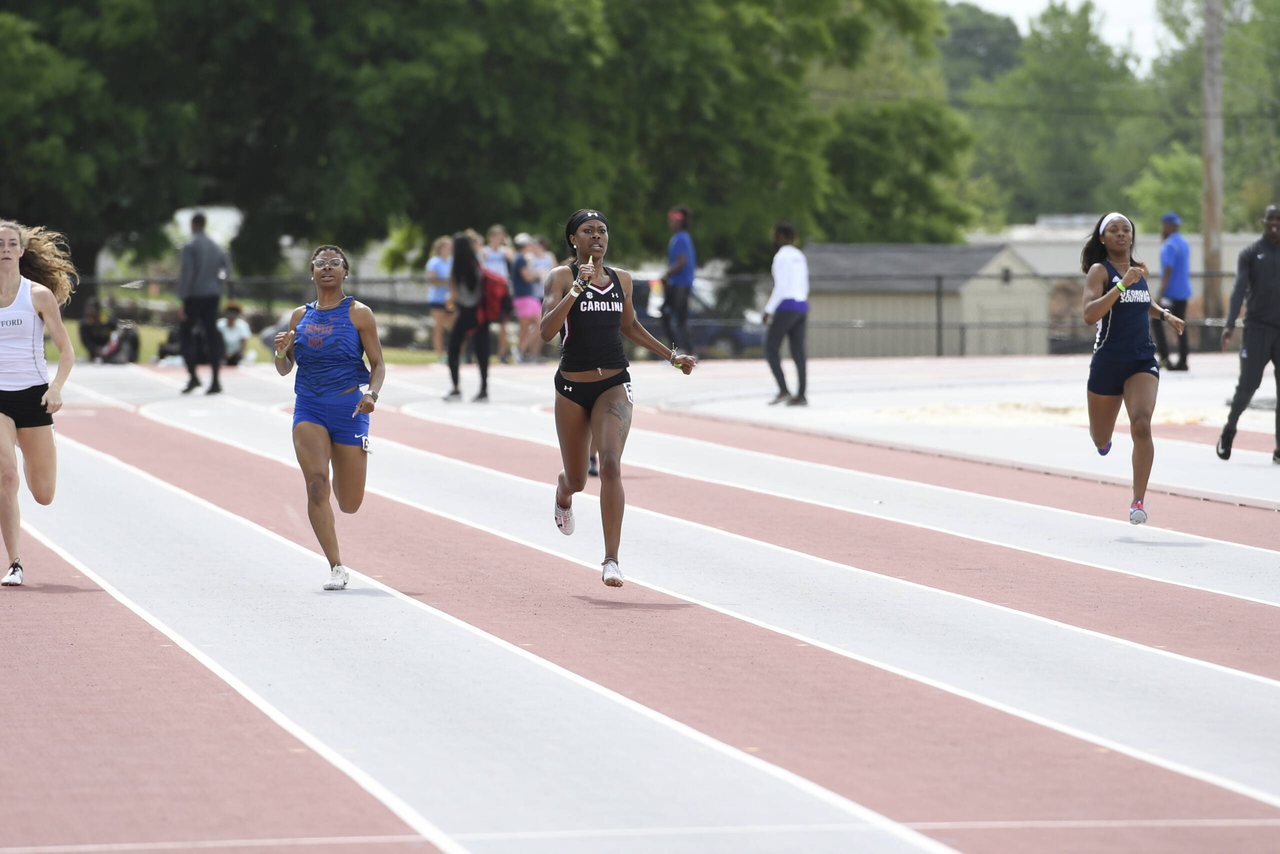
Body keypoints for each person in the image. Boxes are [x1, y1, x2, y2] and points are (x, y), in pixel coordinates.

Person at [540, 209, 697, 587]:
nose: (597, 236)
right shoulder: (560, 277)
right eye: (587, 231)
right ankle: (563, 493)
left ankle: (611, 559)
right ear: (572, 240)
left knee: (610, 464)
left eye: (602, 231)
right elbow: (546, 332)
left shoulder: (621, 280)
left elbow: (630, 327)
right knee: (578, 478)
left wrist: (671, 356)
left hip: (614, 382)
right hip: (572, 388)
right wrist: (577, 289)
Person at [273, 245, 384, 591]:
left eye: (335, 263)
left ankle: (342, 460)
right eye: (320, 264)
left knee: (349, 502)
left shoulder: (359, 313)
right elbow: (284, 369)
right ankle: (336, 566)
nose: (327, 268)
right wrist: (280, 353)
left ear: (345, 273)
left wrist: (372, 394)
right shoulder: (298, 317)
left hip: (348, 408)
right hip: (308, 408)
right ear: (312, 272)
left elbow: (378, 365)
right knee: (316, 485)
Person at [1082, 213, 1184, 525]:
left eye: (1126, 229)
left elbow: (1142, 302)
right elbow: (1089, 314)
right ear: (1102, 238)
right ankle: (1103, 441)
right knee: (1100, 437)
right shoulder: (1100, 271)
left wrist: (1165, 314)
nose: (1121, 234)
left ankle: (1137, 501)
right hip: (1108, 362)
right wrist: (1121, 286)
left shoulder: (1141, 272)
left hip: (1141, 360)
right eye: (1113, 230)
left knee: (1141, 424)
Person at [0, 221, 76, 587]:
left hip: (33, 396)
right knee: (5, 475)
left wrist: (57, 387)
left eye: (11, 243)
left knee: (43, 494)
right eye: (0, 244)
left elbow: (66, 351)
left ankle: (34, 447)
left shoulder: (38, 295)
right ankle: (14, 562)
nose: (5, 249)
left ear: (21, 251)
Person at [1217, 204, 1280, 462]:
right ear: (1263, 221)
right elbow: (1239, 289)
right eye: (1270, 218)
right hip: (1257, 330)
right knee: (1248, 386)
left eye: (1279, 218)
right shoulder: (1251, 254)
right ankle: (1229, 429)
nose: (1274, 222)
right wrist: (1230, 324)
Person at [178, 212, 230, 394]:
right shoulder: (217, 246)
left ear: (193, 225)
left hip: (194, 295)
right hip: (212, 295)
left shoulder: (189, 246)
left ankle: (193, 376)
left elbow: (188, 274)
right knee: (212, 335)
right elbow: (226, 271)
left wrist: (182, 300)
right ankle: (215, 380)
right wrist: (217, 282)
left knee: (185, 334)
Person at [763, 222, 810, 406]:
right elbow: (805, 284)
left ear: (781, 236)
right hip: (802, 305)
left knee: (770, 347)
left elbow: (781, 287)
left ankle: (783, 390)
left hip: (786, 305)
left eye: (775, 235)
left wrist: (768, 310)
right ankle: (802, 394)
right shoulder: (800, 255)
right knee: (798, 351)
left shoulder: (781, 256)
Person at [444, 234, 492, 402]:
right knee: (482, 351)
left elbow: (455, 295)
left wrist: (449, 302)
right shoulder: (477, 263)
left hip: (466, 311)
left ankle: (456, 388)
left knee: (453, 348)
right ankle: (484, 389)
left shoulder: (456, 267)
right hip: (481, 312)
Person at [1152, 212, 1191, 371]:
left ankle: (1165, 357)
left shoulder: (1168, 245)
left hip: (1170, 292)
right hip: (1183, 291)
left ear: (1167, 226)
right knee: (1180, 324)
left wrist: (1161, 293)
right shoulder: (1183, 243)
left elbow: (1168, 268)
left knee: (1156, 320)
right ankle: (1183, 360)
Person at [661, 206, 696, 354]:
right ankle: (684, 351)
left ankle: (678, 351)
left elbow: (682, 261)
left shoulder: (681, 238)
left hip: (680, 284)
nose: (670, 222)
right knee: (677, 318)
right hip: (680, 283)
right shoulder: (679, 237)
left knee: (670, 316)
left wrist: (666, 274)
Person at [513, 234, 553, 362]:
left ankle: (523, 351)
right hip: (525, 297)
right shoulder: (521, 259)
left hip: (527, 297)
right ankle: (520, 350)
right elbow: (527, 277)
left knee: (531, 326)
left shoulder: (521, 258)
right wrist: (539, 274)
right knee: (537, 325)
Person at [482, 224, 516, 363]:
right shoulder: (484, 251)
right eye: (495, 236)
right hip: (488, 289)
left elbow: (512, 258)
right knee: (484, 322)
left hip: (502, 288)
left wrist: (506, 243)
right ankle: (484, 351)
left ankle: (502, 353)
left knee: (504, 322)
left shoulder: (505, 251)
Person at [425, 236, 454, 361]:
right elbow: (432, 280)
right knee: (439, 327)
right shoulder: (434, 262)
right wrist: (447, 282)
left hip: (451, 299)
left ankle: (454, 353)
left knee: (454, 326)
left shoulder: (452, 261)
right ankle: (439, 355)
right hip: (437, 299)